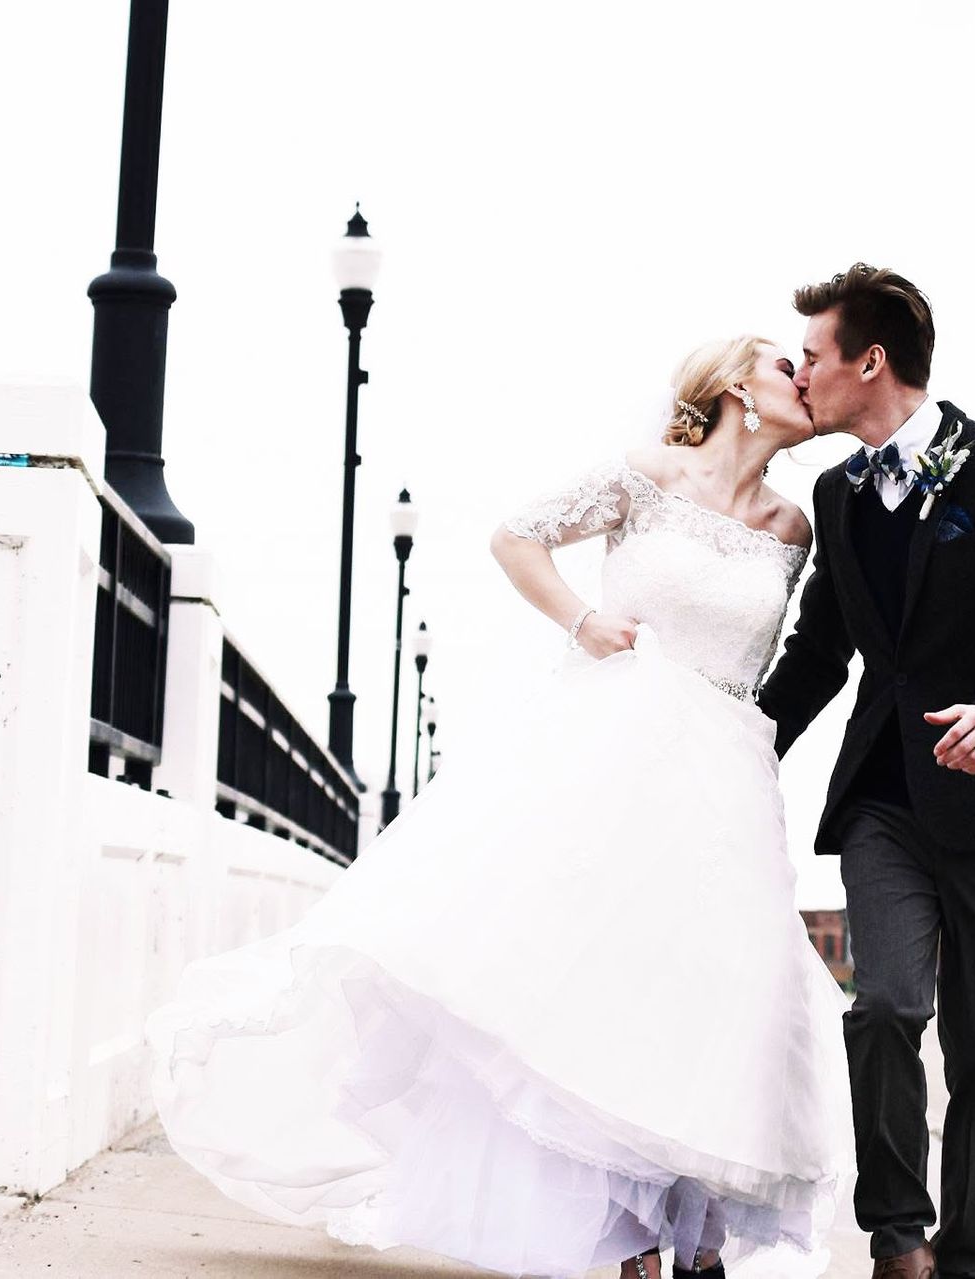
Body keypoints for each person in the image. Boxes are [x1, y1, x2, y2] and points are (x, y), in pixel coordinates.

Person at [146, 334, 853, 1279]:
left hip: (725, 775)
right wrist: (580, 618)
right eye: (783, 365)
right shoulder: (649, 475)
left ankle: (701, 1234)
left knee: (716, 993)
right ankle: (633, 1234)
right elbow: (515, 535)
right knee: (602, 981)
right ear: (732, 383)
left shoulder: (793, 527)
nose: (803, 379)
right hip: (616, 749)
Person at [757, 265, 975, 1279]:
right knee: (886, 1007)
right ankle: (896, 1239)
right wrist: (728, 748)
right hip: (886, 805)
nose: (799, 372)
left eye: (813, 354)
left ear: (871, 362)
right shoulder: (838, 493)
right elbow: (822, 655)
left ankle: (965, 1254)